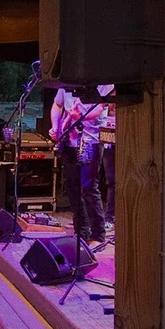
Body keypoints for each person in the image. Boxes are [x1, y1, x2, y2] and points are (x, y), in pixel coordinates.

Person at [49, 85, 110, 244]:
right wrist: (56, 126)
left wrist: (80, 116)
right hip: (69, 141)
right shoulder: (66, 83)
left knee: (89, 188)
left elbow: (101, 107)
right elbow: (57, 105)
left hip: (90, 141)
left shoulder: (101, 82)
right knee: (73, 188)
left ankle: (98, 235)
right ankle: (81, 232)